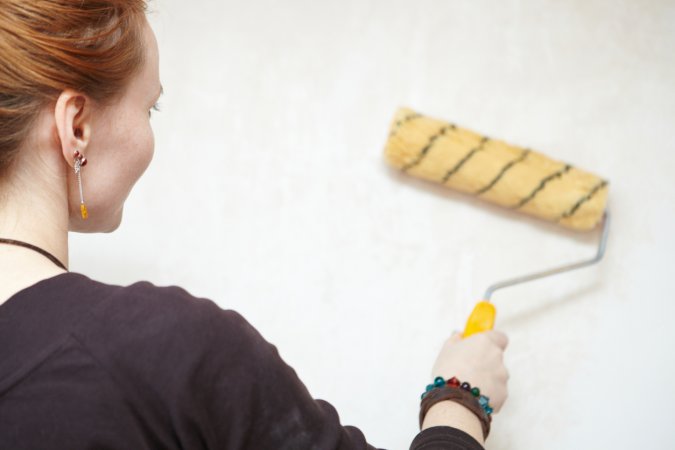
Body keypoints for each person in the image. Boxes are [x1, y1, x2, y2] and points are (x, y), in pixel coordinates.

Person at [0, 1, 509, 448]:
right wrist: (459, 397)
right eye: (149, 106)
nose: (151, 127)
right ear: (78, 128)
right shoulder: (165, 350)